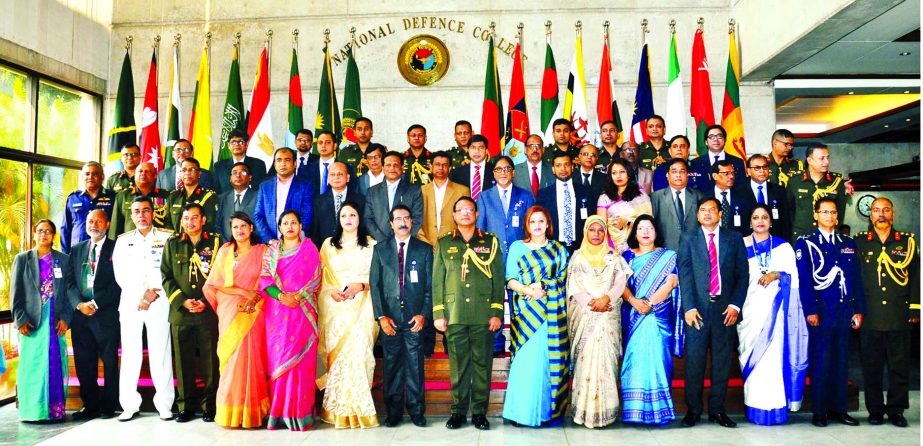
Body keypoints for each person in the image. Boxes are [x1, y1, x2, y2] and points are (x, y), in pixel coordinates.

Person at [433, 197, 505, 431]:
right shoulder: (444, 244)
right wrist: (439, 313)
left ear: (476, 214)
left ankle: (479, 413)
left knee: (482, 365)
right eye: (460, 210)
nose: (465, 213)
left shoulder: (490, 242)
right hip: (454, 315)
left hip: (483, 315)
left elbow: (497, 280)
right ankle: (458, 412)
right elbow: (438, 282)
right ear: (453, 215)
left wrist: (496, 311)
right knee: (458, 367)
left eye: (469, 210)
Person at [677, 197, 748, 428]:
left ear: (720, 214)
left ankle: (718, 411)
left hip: (725, 310)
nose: (707, 213)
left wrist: (736, 305)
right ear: (697, 215)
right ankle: (693, 411)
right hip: (696, 311)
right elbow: (685, 274)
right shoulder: (688, 238)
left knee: (721, 363)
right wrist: (688, 307)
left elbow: (742, 276)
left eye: (712, 210)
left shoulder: (734, 238)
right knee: (694, 363)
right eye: (703, 210)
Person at [795, 197, 866, 427]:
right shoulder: (805, 243)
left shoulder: (848, 243)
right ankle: (820, 411)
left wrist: (858, 310)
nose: (829, 216)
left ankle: (840, 409)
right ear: (815, 215)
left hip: (844, 310)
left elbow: (856, 279)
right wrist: (811, 310)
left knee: (841, 361)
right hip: (821, 311)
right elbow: (805, 280)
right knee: (821, 361)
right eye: (824, 212)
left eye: (833, 212)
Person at [735, 205, 808, 425]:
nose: (760, 221)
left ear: (771, 221)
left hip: (777, 312)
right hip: (749, 310)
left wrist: (776, 274)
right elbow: (735, 277)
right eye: (755, 217)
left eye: (764, 217)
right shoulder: (740, 244)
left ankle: (775, 409)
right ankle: (755, 408)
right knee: (752, 357)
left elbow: (794, 279)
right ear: (749, 222)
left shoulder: (783, 247)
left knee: (773, 360)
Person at [502, 206, 570, 427]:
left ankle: (545, 414)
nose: (537, 226)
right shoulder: (517, 247)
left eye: (541, 221)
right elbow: (510, 279)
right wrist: (529, 291)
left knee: (548, 361)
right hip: (526, 311)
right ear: (527, 225)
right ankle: (521, 413)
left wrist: (543, 285)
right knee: (525, 361)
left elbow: (563, 279)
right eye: (533, 222)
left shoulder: (558, 250)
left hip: (552, 313)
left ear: (548, 225)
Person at [202, 212, 270, 428]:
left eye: (243, 226)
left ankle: (253, 412)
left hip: (255, 312)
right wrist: (243, 292)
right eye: (235, 227)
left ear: (251, 228)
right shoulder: (225, 251)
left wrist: (254, 297)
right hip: (230, 310)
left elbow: (269, 280)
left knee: (253, 359)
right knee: (231, 360)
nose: (239, 230)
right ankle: (230, 412)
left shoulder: (263, 251)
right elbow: (214, 284)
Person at [856, 197, 919, 427]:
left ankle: (896, 410)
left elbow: (916, 277)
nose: (881, 214)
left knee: (899, 366)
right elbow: (855, 279)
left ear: (893, 214)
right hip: (870, 315)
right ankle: (875, 410)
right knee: (871, 366)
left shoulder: (908, 242)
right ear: (870, 215)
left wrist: (915, 307)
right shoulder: (860, 242)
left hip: (898, 314)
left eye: (886, 210)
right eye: (876, 210)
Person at [316, 201, 379, 428]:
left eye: (353, 214)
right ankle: (336, 410)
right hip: (334, 309)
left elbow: (378, 277)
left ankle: (361, 409)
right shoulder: (328, 245)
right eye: (344, 215)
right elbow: (321, 278)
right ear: (339, 219)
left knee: (360, 355)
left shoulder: (370, 245)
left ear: (359, 218)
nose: (349, 219)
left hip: (363, 306)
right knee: (338, 359)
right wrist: (331, 292)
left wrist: (360, 286)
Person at [112, 197, 175, 422]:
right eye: (137, 211)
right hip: (131, 303)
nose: (141, 215)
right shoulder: (123, 241)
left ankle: (165, 404)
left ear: (153, 213)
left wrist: (151, 293)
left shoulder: (167, 237)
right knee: (130, 354)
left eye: (146, 211)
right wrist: (141, 295)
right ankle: (129, 405)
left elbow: (169, 270)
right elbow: (120, 274)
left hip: (159, 301)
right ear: (131, 215)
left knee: (161, 352)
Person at [259, 210, 323, 430]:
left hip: (303, 311)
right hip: (278, 314)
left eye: (293, 222)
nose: (289, 226)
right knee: (279, 361)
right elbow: (265, 280)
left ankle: (301, 414)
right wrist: (283, 297)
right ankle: (278, 413)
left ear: (300, 225)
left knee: (302, 363)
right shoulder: (271, 251)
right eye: (285, 223)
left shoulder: (310, 248)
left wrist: (298, 296)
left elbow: (316, 278)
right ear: (279, 227)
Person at [371, 205, 433, 427]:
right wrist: (381, 317)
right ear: (391, 224)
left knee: (415, 367)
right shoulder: (380, 250)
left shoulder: (424, 250)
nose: (403, 222)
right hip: (390, 320)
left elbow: (430, 287)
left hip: (415, 319)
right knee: (392, 367)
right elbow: (375, 286)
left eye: (407, 217)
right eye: (398, 218)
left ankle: (417, 412)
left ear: (412, 221)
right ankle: (394, 413)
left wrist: (424, 314)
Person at [161, 203, 222, 423]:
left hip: (208, 312)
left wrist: (206, 301)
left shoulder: (216, 243)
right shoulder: (173, 243)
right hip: (181, 313)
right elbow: (166, 275)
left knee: (210, 363)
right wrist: (182, 301)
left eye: (194, 218)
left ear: (203, 220)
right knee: (183, 362)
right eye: (186, 218)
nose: (190, 222)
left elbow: (221, 276)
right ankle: (185, 406)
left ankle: (210, 406)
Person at [567, 216, 630, 428]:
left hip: (608, 315)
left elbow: (621, 283)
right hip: (585, 315)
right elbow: (574, 288)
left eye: (600, 230)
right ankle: (584, 412)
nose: (596, 234)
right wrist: (592, 304)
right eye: (592, 230)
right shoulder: (577, 258)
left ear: (605, 233)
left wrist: (606, 299)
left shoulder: (614, 256)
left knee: (607, 364)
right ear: (585, 232)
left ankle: (607, 412)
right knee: (585, 362)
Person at [620, 215, 683, 426]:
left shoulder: (668, 256)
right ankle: (634, 411)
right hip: (634, 316)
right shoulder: (626, 257)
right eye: (640, 228)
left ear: (657, 232)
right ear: (634, 233)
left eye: (650, 228)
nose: (645, 232)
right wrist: (634, 301)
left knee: (658, 361)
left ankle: (660, 412)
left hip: (658, 317)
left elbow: (671, 283)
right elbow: (620, 285)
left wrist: (649, 302)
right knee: (634, 361)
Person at [10, 220, 76, 422]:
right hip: (31, 323)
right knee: (32, 366)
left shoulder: (63, 260)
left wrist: (66, 318)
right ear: (34, 234)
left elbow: (69, 292)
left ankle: (53, 410)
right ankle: (32, 411)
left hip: (54, 322)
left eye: (48, 231)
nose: (43, 235)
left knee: (54, 364)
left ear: (53, 235)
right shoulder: (22, 259)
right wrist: (20, 319)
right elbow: (16, 293)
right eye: (39, 231)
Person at [68, 209, 120, 420]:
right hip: (81, 317)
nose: (94, 225)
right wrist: (79, 304)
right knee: (84, 362)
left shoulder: (117, 248)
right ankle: (90, 406)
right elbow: (70, 283)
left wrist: (96, 302)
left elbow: (120, 282)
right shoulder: (77, 249)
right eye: (90, 221)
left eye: (98, 221)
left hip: (105, 315)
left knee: (109, 362)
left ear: (107, 224)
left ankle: (109, 405)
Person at [538, 152, 599, 254]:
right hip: (552, 247)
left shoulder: (587, 192)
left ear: (572, 167)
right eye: (558, 165)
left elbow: (592, 220)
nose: (563, 169)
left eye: (566, 165)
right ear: (553, 169)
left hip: (582, 247)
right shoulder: (543, 195)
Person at [477, 156, 535, 258]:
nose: (503, 173)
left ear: (513, 173)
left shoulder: (526, 196)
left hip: (521, 254)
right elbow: (480, 228)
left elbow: (531, 227)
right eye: (498, 169)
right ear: (494, 174)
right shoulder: (484, 197)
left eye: (507, 169)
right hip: (493, 255)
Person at [253, 147, 314, 242]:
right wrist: (269, 239)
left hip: (295, 243)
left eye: (287, 160)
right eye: (279, 160)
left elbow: (307, 216)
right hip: (269, 244)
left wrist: (291, 238)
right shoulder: (265, 186)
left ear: (295, 164)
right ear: (274, 164)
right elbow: (258, 216)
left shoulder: (305, 186)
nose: (283, 164)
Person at [787, 145, 848, 239]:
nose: (826, 162)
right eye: (822, 158)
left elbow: (840, 212)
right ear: (809, 160)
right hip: (801, 236)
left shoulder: (836, 181)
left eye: (828, 158)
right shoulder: (795, 180)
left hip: (827, 235)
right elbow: (789, 211)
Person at [364, 151, 424, 241]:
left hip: (406, 242)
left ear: (402, 168)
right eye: (388, 165)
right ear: (383, 168)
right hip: (380, 243)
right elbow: (368, 219)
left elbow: (417, 218)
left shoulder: (414, 190)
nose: (392, 168)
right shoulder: (372, 191)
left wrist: (403, 239)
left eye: (396, 165)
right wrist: (383, 240)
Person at [596, 158, 652, 252]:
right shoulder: (604, 197)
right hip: (613, 246)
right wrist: (608, 249)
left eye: (622, 172)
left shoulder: (640, 194)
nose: (618, 176)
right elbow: (602, 227)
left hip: (639, 245)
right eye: (614, 173)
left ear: (629, 174)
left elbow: (648, 221)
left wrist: (626, 223)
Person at [734, 154, 793, 241]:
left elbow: (785, 222)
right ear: (748, 171)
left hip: (775, 241)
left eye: (764, 167)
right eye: (757, 168)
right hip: (748, 241)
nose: (762, 171)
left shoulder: (779, 191)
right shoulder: (738, 192)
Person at [651, 158, 704, 252]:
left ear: (687, 175)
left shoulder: (699, 196)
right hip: (664, 251)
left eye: (682, 171)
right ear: (667, 175)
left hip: (693, 250)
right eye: (674, 171)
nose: (678, 175)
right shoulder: (655, 197)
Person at [62, 161, 115, 253]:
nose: (90, 177)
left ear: (102, 176)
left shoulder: (113, 197)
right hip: (77, 251)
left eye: (95, 174)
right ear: (82, 177)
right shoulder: (73, 198)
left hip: (104, 251)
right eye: (87, 174)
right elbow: (65, 229)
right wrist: (65, 255)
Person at [310, 162, 365, 247]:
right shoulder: (319, 201)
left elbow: (363, 226)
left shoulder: (360, 200)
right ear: (328, 179)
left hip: (353, 248)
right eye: (332, 174)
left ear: (347, 177)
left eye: (340, 174)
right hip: (327, 250)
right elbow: (315, 231)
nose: (336, 177)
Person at [419, 151, 469, 246]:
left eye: (444, 165)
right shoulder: (421, 191)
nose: (440, 168)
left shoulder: (463, 191)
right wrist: (425, 243)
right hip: (426, 246)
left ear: (449, 168)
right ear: (431, 167)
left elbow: (466, 221)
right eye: (437, 164)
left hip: (453, 245)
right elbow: (416, 220)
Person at [109, 162, 170, 238]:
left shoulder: (167, 196)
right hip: (131, 243)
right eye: (140, 171)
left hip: (159, 243)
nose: (143, 174)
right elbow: (116, 226)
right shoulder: (123, 196)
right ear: (135, 176)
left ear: (155, 176)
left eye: (148, 171)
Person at [165, 157, 219, 233]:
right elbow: (168, 223)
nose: (187, 173)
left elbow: (209, 225)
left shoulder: (208, 197)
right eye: (184, 170)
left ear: (199, 174)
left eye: (192, 170)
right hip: (176, 243)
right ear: (180, 174)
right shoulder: (173, 197)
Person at [212, 129, 268, 195]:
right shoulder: (219, 166)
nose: (237, 145)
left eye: (241, 142)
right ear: (228, 145)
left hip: (252, 203)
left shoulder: (258, 164)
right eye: (233, 142)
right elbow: (216, 191)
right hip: (226, 204)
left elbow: (262, 189)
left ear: (246, 144)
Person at [216, 162, 258, 242]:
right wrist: (227, 244)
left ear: (250, 177)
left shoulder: (258, 196)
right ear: (230, 178)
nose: (238, 175)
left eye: (243, 172)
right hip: (226, 247)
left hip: (251, 246)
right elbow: (217, 226)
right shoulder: (221, 198)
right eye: (234, 173)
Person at [711, 160, 752, 234]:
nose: (731, 176)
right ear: (715, 176)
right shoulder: (705, 197)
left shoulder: (743, 196)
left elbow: (747, 223)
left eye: (732, 173)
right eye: (726, 173)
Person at [450, 134, 494, 199]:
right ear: (468, 150)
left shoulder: (495, 171)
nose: (477, 151)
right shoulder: (456, 174)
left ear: (486, 151)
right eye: (473, 147)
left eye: (481, 148)